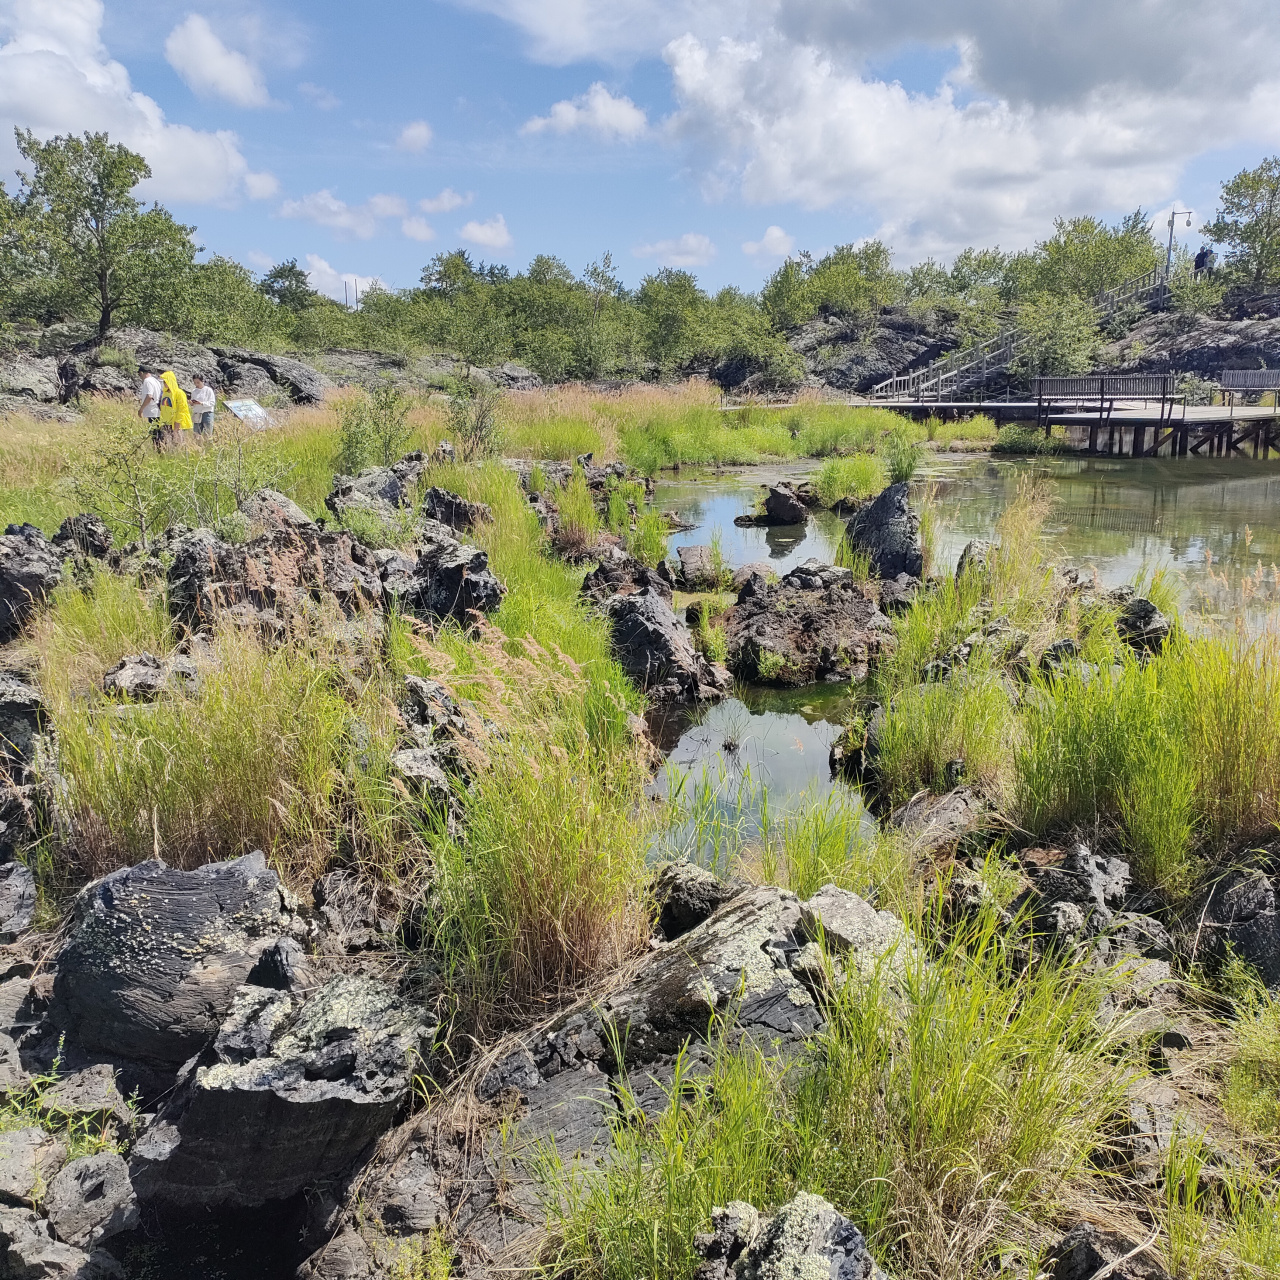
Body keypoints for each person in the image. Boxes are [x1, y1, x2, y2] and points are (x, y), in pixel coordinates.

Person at [157, 370, 193, 446]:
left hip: (176, 424)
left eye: (165, 382)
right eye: (163, 382)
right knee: (166, 445)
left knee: (178, 445)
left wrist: (177, 424)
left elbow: (182, 410)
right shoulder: (165, 393)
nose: (164, 384)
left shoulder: (179, 393)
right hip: (165, 423)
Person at [138, 366, 164, 447]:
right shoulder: (155, 380)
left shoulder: (147, 381)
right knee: (159, 433)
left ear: (142, 373)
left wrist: (141, 409)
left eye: (139, 375)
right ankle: (162, 449)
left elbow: (149, 396)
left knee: (155, 434)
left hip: (152, 411)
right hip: (158, 410)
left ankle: (159, 451)